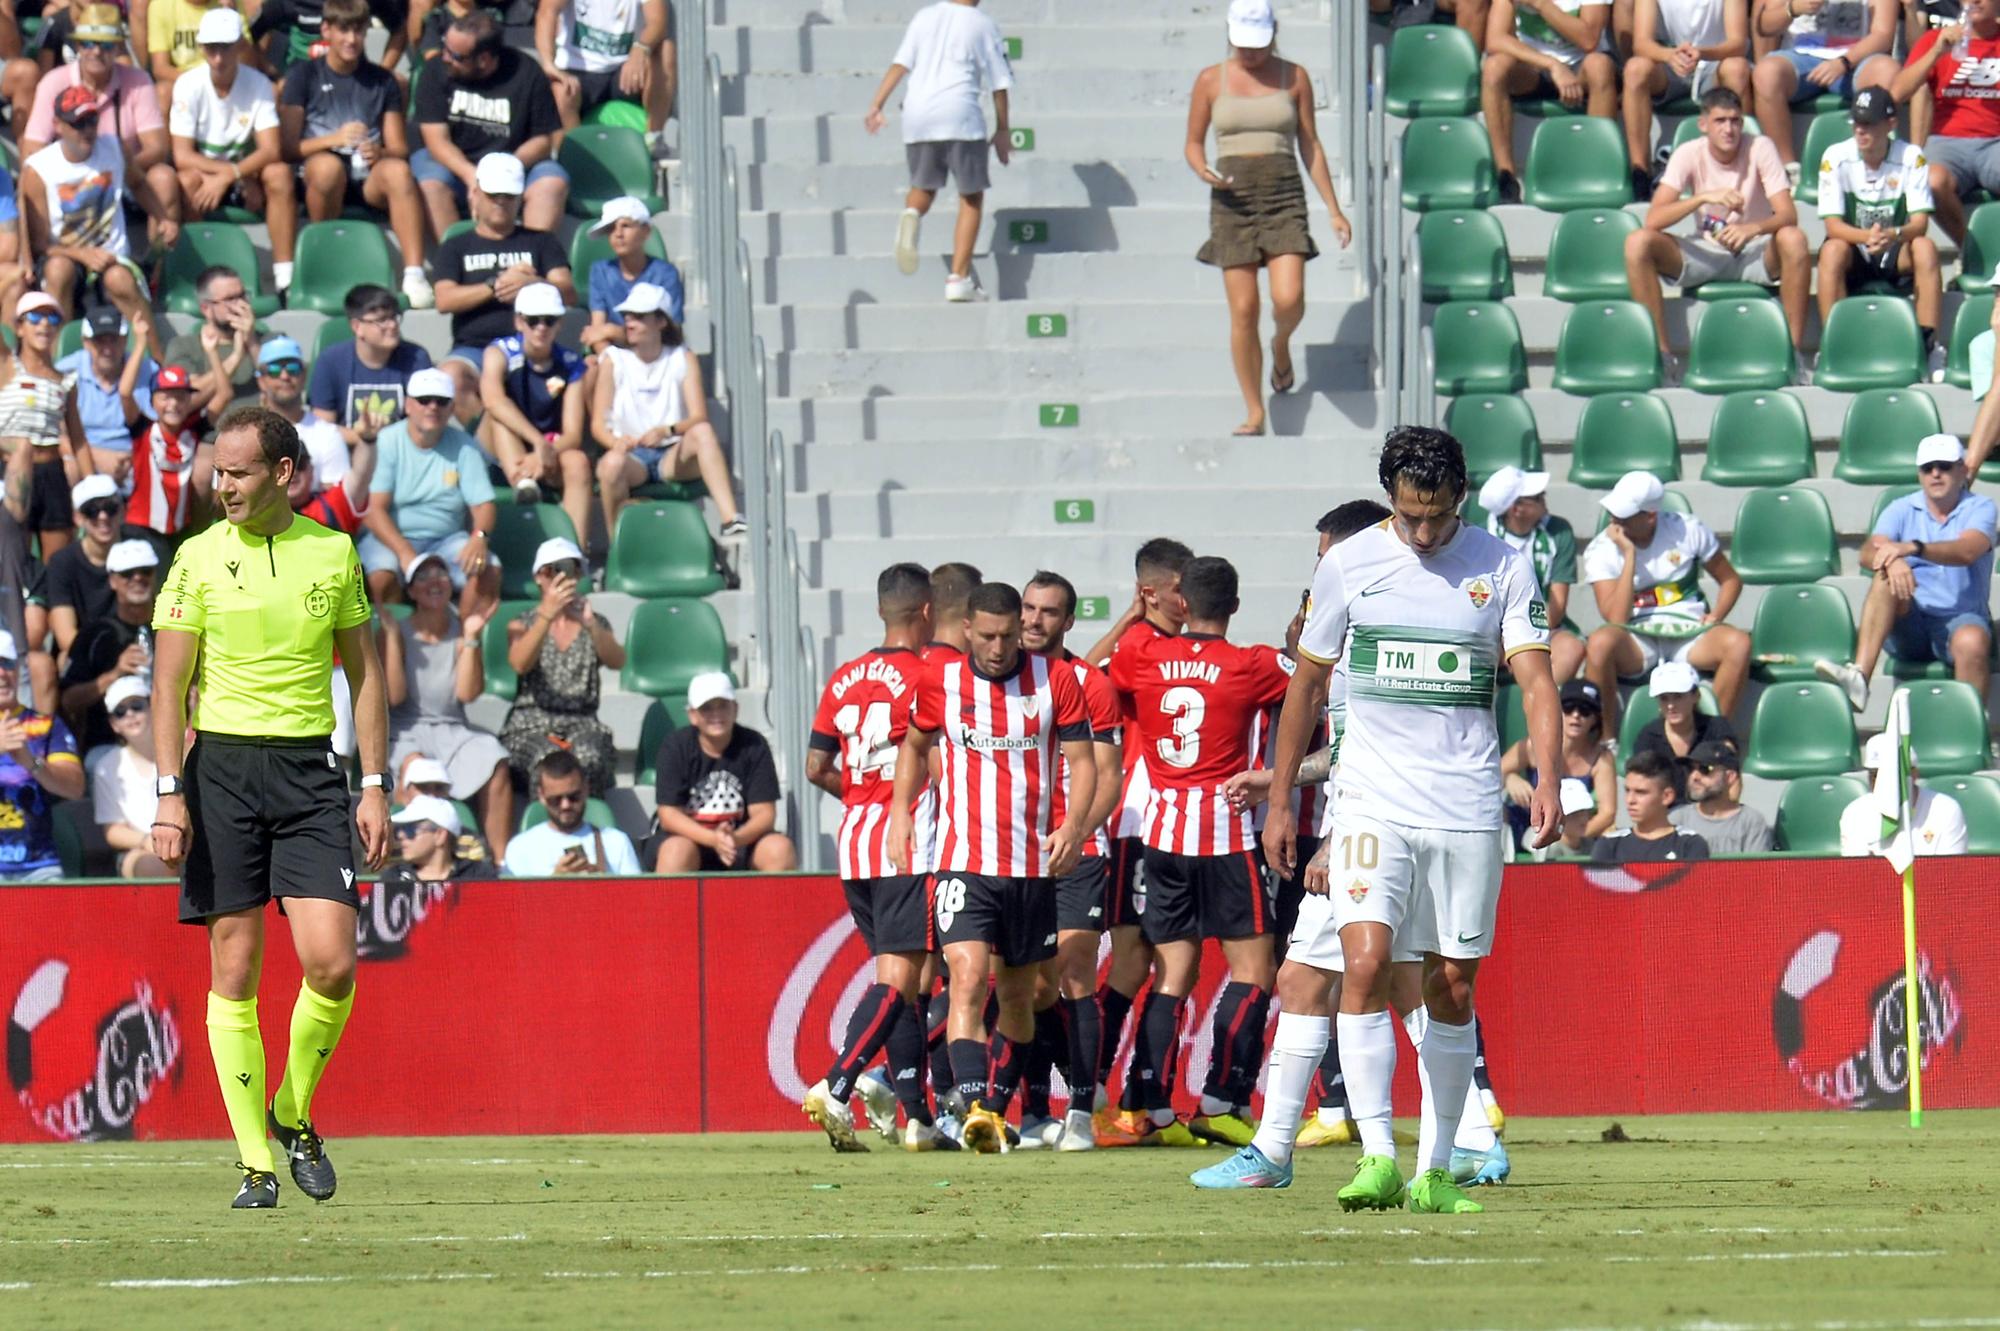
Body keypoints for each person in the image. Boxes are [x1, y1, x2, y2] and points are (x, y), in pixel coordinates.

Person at [1226, 426, 1557, 1212]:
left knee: (1450, 983)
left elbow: (1536, 679)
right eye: (1409, 516)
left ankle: (1437, 1169)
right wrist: (1280, 799)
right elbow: (1306, 688)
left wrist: (1549, 775)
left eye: (1437, 517)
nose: (1422, 532)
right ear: (1390, 500)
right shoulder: (1348, 564)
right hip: (1373, 799)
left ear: (1460, 501)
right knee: (1366, 960)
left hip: (1467, 801)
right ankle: (1377, 1154)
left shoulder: (1503, 565)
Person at [149, 404, 390, 1210]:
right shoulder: (194, 558)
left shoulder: (334, 551)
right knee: (235, 967)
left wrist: (376, 783)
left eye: (239, 471)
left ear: (283, 473)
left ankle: (293, 1110)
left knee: (331, 960)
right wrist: (168, 793)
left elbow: (365, 677)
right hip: (217, 770)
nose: (223, 486)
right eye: (218, 471)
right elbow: (167, 687)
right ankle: (257, 1161)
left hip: (309, 774)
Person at [884, 580, 1096, 1155]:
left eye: (1008, 636)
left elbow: (1084, 761)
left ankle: (993, 1110)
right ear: (967, 632)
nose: (1000, 647)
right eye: (988, 636)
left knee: (1023, 997)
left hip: (1031, 866)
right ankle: (976, 1105)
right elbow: (912, 745)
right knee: (968, 979)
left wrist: (1074, 826)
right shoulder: (940, 681)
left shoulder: (1057, 682)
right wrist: (902, 814)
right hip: (963, 863)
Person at [1096, 556, 1292, 1150]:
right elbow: (1318, 683)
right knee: (1254, 970)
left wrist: (1134, 616)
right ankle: (1219, 1099)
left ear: (1182, 604)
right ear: (1232, 606)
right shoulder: (1253, 664)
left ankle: (1146, 1101)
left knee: (1174, 969)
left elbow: (1087, 675)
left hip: (1160, 835)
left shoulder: (1141, 654)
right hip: (1225, 832)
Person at [801, 562, 945, 1152]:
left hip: (855, 839)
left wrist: (860, 795)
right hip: (905, 838)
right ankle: (837, 1083)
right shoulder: (929, 676)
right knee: (902, 978)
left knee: (905, 988)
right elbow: (936, 763)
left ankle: (917, 1117)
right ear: (927, 612)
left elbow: (815, 767)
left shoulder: (843, 678)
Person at [1186, 0, 1354, 436]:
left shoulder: (1293, 76)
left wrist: (1333, 209)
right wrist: (1202, 167)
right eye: (1243, 44)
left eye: (1258, 45)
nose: (1251, 53)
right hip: (1232, 195)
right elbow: (1192, 143)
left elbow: (1310, 144)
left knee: (1288, 298)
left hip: (1283, 191)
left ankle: (1280, 345)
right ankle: (1254, 408)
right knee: (1243, 308)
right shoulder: (1210, 79)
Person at [1076, 537, 1190, 1137]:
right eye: (1179, 588)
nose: (1188, 597)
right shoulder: (1139, 647)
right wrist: (1127, 620)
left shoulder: (1170, 645)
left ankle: (1119, 1096)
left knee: (1143, 961)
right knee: (1142, 961)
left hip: (1169, 822)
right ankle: (1111, 1094)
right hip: (1141, 821)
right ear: (1154, 591)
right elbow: (1080, 680)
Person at [1015, 570, 1122, 1151]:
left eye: (1048, 612)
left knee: (1076, 971)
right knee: (1029, 985)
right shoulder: (1001, 683)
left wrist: (1076, 831)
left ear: (1068, 621)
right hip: (1012, 853)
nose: (1034, 620)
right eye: (1028, 609)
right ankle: (1034, 1112)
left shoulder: (1088, 682)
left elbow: (1109, 776)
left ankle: (1080, 1110)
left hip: (1076, 847)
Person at [1628, 87, 1811, 378]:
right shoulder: (1689, 152)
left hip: (1754, 250)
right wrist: (1702, 198)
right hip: (1707, 250)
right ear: (1704, 125)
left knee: (1795, 239)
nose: (1729, 129)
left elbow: (1788, 213)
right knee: (1638, 243)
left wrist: (1753, 228)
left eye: (1736, 121)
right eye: (1720, 121)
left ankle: (1791, 354)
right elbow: (1654, 219)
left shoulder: (1760, 147)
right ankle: (1662, 357)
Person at [1817, 434, 1995, 713]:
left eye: (1944, 466)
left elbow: (1968, 550)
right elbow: (1867, 551)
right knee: (1883, 575)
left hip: (1960, 618)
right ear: (1919, 474)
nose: (1935, 473)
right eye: (1927, 467)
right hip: (1910, 619)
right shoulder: (1901, 507)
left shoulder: (1980, 508)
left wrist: (1911, 549)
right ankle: (1860, 675)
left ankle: (1971, 730)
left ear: (1962, 469)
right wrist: (1890, 560)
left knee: (1971, 640)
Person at [278, 0, 433, 310]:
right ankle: (323, 256)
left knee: (399, 172)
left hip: (367, 177)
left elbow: (400, 148)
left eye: (358, 31)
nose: (351, 39)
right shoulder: (303, 75)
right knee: (327, 168)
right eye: (343, 30)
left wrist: (380, 151)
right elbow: (287, 148)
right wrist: (333, 139)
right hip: (320, 178)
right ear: (326, 31)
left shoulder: (382, 79)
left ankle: (415, 275)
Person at [863, 0, 1013, 303]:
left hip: (918, 116)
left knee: (923, 186)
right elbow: (999, 84)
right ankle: (958, 277)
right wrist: (1002, 128)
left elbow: (900, 64)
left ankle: (911, 213)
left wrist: (877, 104)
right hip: (960, 114)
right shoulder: (982, 24)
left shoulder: (923, 17)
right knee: (971, 196)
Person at [1581, 470, 1751, 736]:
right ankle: (1605, 741)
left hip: (1689, 632)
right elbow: (1615, 619)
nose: (1614, 519)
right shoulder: (1601, 548)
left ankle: (1712, 738)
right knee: (1600, 644)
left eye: (1624, 515)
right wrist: (1629, 556)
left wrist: (1716, 615)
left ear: (1650, 516)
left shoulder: (1688, 529)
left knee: (1739, 644)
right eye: (1614, 511)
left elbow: (1731, 581)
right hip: (1636, 639)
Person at [16, 6, 182, 261]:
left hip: (126, 176)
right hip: (69, 186)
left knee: (164, 177)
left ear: (117, 49)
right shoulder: (53, 81)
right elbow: (31, 150)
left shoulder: (137, 80)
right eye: (89, 43)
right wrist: (82, 175)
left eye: (106, 45)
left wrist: (113, 169)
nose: (96, 51)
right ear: (78, 47)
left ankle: (157, 268)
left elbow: (157, 147)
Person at [590, 281, 745, 543]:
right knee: (611, 465)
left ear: (661, 322)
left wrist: (667, 430)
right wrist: (617, 443)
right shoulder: (614, 360)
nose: (629, 322)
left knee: (704, 433)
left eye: (639, 316)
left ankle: (731, 518)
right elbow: (597, 424)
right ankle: (617, 542)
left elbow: (698, 417)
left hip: (672, 454)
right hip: (632, 457)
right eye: (627, 316)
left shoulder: (682, 357)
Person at [383, 551, 514, 857]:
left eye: (441, 574)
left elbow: (468, 694)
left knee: (497, 761)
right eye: (424, 577)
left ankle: (500, 861)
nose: (435, 582)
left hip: (454, 728)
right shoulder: (394, 629)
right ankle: (403, 860)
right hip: (405, 730)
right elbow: (394, 697)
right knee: (413, 767)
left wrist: (470, 638)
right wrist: (391, 639)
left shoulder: (461, 628)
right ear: (411, 590)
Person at [429, 151, 576, 423]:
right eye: (493, 194)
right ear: (475, 193)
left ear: (520, 198)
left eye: (508, 196)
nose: (501, 202)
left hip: (532, 344)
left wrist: (532, 284)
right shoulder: (456, 245)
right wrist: (495, 285)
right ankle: (493, 453)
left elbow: (567, 290)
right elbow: (444, 300)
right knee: (450, 376)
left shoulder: (541, 242)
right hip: (474, 348)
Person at [1814, 88, 1944, 379]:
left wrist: (1893, 234)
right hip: (1855, 252)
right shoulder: (1835, 156)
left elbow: (1920, 223)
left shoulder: (1912, 156)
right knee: (1831, 250)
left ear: (1891, 124)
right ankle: (1833, 344)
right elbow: (1832, 226)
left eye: (1869, 123)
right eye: (1857, 122)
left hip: (1896, 249)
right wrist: (1868, 238)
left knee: (1925, 248)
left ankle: (1929, 348)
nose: (1861, 130)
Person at [169, 9, 298, 293]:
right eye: (212, 48)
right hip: (214, 176)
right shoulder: (188, 85)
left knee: (279, 175)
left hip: (239, 174)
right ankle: (201, 272)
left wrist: (232, 175)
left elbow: (271, 149)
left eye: (225, 48)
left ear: (239, 46)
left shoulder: (259, 84)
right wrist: (233, 175)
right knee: (187, 181)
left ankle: (284, 276)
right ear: (202, 48)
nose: (218, 58)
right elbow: (182, 156)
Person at [359, 367, 501, 618]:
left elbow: (484, 505)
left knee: (488, 568)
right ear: (408, 405)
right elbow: (374, 509)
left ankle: (461, 639)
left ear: (451, 407)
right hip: (393, 538)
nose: (432, 407)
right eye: (424, 400)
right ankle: (397, 640)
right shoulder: (388, 441)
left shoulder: (465, 446)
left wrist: (479, 537)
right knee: (381, 578)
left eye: (441, 401)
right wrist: (404, 552)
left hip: (446, 539)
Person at [413, 9, 570, 236]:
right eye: (446, 47)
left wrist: (504, 170)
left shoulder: (527, 72)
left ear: (484, 60)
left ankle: (530, 262)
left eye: (456, 56)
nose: (445, 57)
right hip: (456, 165)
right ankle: (455, 259)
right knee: (431, 184)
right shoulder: (435, 70)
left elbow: (543, 141)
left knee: (552, 182)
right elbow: (436, 141)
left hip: (514, 163)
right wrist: (473, 176)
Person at [500, 537, 624, 796]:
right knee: (548, 761)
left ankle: (584, 825)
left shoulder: (595, 622)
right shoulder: (522, 623)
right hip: (530, 723)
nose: (560, 577)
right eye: (550, 570)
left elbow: (618, 661)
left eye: (570, 569)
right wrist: (547, 615)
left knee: (590, 757)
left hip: (582, 722)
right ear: (538, 577)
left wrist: (590, 624)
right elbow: (520, 663)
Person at [651, 671, 798, 873]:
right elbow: (668, 814)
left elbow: (765, 814)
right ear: (693, 715)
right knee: (676, 851)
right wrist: (713, 839)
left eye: (723, 706)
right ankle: (670, 905)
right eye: (707, 708)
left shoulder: (754, 745)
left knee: (779, 849)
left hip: (741, 841)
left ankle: (774, 905)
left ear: (735, 709)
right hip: (689, 839)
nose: (716, 715)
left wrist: (734, 839)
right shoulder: (675, 746)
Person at [481, 282, 591, 539]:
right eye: (533, 321)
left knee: (578, 462)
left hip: (547, 448)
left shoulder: (571, 364)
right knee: (499, 416)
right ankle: (523, 481)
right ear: (519, 322)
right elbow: (493, 400)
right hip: (504, 445)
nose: (541, 327)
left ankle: (573, 552)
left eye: (549, 320)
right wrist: (537, 443)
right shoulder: (500, 352)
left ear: (559, 324)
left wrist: (543, 452)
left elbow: (573, 433)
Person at [1481, 0, 1617, 204]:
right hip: (1533, 67)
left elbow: (1589, 39)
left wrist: (1542, 5)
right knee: (1493, 68)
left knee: (1600, 67)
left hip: (1580, 67)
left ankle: (1594, 168)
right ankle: (1506, 176)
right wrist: (1552, 65)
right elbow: (1495, 39)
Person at [1623, 0, 1752, 200]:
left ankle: (1740, 166)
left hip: (1714, 63)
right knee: (1635, 69)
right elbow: (1641, 43)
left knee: (1737, 68)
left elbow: (1737, 43)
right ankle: (1640, 172)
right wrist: (1669, 55)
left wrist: (1702, 53)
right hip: (1670, 65)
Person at [1750, 0, 1898, 173]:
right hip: (1802, 56)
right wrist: (1792, 9)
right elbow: (1764, 26)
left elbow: (1883, 35)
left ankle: (1876, 166)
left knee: (1888, 72)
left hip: (1855, 59)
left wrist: (1844, 62)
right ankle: (1787, 171)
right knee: (1766, 73)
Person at [0, 292, 94, 558]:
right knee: (14, 555)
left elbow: (78, 440)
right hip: (11, 469)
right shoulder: (7, 365)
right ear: (19, 327)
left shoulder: (65, 380)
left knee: (57, 559)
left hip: (52, 472)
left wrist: (92, 487)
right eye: (35, 317)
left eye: (52, 318)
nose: (44, 324)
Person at [1478, 465, 1584, 681]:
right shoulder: (1480, 538)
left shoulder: (1558, 531)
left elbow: (1556, 609)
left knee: (1571, 649)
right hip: (1491, 630)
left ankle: (1539, 709)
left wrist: (1523, 644)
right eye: (1537, 497)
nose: (1544, 497)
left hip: (1541, 624)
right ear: (1516, 509)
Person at [59, 537, 160, 754]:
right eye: (127, 573)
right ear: (113, 580)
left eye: (145, 571)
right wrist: (115, 673)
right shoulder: (95, 634)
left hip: (166, 741)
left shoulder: (174, 626)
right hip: (109, 747)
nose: (138, 578)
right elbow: (68, 701)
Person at [0, 629, 86, 881]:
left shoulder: (46, 725)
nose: (2, 674)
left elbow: (75, 788)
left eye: (7, 663)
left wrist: (31, 762)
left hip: (39, 867)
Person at [308, 284, 435, 453]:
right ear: (357, 327)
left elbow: (426, 420)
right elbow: (323, 428)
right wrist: (365, 437)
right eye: (382, 320)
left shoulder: (416, 358)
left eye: (394, 317)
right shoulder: (330, 361)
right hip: (347, 455)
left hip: (402, 453)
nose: (392, 325)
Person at [46, 475, 157, 663]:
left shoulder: (143, 547)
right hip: (90, 651)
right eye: (92, 511)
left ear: (122, 510)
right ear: (78, 518)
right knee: (65, 659)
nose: (103, 516)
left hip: (139, 644)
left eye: (110, 508)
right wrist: (112, 661)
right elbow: (66, 638)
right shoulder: (62, 562)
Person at [1501, 677, 1615, 849]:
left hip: (1572, 834)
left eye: (1585, 711)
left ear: (1595, 720)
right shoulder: (1534, 746)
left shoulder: (1601, 759)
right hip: (1524, 824)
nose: (1576, 715)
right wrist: (1510, 779)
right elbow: (1493, 774)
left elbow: (1608, 813)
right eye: (1568, 708)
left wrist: (1567, 836)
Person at [534, 0, 674, 139]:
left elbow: (658, 22)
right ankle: (575, 150)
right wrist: (548, 63)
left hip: (626, 70)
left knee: (665, 49)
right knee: (559, 89)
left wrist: (641, 49)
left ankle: (653, 137)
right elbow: (547, 12)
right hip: (578, 70)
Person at [58, 303, 165, 477]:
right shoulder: (65, 371)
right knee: (68, 470)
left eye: (114, 339)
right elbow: (53, 434)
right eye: (100, 340)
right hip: (83, 457)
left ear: (124, 340)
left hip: (135, 459)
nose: (107, 349)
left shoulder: (148, 371)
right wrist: (97, 458)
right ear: (86, 342)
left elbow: (154, 427)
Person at [499, 747, 641, 875]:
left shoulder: (615, 842)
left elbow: (636, 899)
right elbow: (514, 903)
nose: (565, 805)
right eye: (556, 800)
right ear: (542, 796)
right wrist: (556, 882)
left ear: (586, 789)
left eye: (573, 797)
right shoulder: (520, 848)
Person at [126, 364, 227, 538]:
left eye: (181, 398)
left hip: (181, 528)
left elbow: (225, 394)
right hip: (142, 527)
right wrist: (141, 343)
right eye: (165, 397)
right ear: (152, 401)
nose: (173, 404)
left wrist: (212, 353)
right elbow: (124, 393)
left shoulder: (194, 429)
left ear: (190, 401)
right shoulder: (143, 430)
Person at [580, 196, 684, 356]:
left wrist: (612, 331)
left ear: (646, 232)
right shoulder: (600, 271)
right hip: (614, 356)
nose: (618, 234)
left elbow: (672, 333)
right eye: (612, 228)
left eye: (626, 226)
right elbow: (597, 330)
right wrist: (612, 362)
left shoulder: (666, 274)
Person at [1840, 729, 1969, 856]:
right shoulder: (1854, 814)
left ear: (1914, 775)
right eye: (1875, 776)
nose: (1882, 784)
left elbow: (1950, 872)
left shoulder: (1945, 811)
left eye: (1891, 775)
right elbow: (1856, 874)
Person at [91, 674, 170, 878]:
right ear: (113, 724)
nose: (130, 714)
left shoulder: (179, 752)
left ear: (152, 707)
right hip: (137, 849)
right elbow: (113, 831)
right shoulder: (106, 767)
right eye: (120, 712)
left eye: (137, 706)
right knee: (156, 867)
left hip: (183, 841)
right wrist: (148, 842)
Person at [1628, 658, 1743, 798]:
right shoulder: (1648, 737)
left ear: (1696, 696)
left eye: (1678, 697)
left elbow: (1733, 780)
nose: (1671, 705)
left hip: (1711, 812)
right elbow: (1642, 789)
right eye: (1664, 698)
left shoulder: (1718, 728)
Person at [257, 336, 350, 496]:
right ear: (261, 381)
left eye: (293, 368)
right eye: (274, 370)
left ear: (304, 375)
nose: (285, 376)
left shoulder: (328, 434)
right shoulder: (246, 434)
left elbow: (337, 499)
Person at [164, 266, 264, 408]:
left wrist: (252, 341)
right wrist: (235, 358)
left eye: (242, 296)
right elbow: (186, 401)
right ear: (206, 308)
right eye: (230, 299)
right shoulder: (184, 346)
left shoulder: (267, 341)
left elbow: (279, 385)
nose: (240, 305)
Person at [1592, 750, 1711, 862]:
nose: (1630, 800)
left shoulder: (1690, 845)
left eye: (1641, 792)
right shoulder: (1609, 844)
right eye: (1627, 790)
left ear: (1667, 796)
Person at [1669, 738, 1773, 853]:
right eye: (1690, 769)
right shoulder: (1676, 819)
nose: (1694, 777)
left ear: (1730, 777)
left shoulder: (1751, 822)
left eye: (1705, 769)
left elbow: (1757, 870)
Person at [384, 794, 497, 886]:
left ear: (440, 835)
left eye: (410, 830)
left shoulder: (479, 876)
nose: (400, 835)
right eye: (399, 829)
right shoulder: (392, 879)